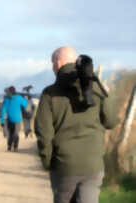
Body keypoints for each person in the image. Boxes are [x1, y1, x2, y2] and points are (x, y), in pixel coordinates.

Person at [34, 46, 118, 203]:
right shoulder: (96, 87)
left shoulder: (49, 93)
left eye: (52, 63)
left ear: (58, 63)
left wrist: (47, 162)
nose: (53, 67)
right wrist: (108, 96)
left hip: (63, 166)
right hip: (93, 166)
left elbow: (43, 132)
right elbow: (111, 121)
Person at [0, 86, 28, 152]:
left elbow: (3, 110)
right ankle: (15, 147)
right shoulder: (19, 98)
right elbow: (25, 104)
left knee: (10, 133)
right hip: (18, 119)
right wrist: (25, 98)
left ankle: (9, 146)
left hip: (9, 119)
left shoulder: (6, 99)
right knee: (16, 133)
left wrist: (2, 121)